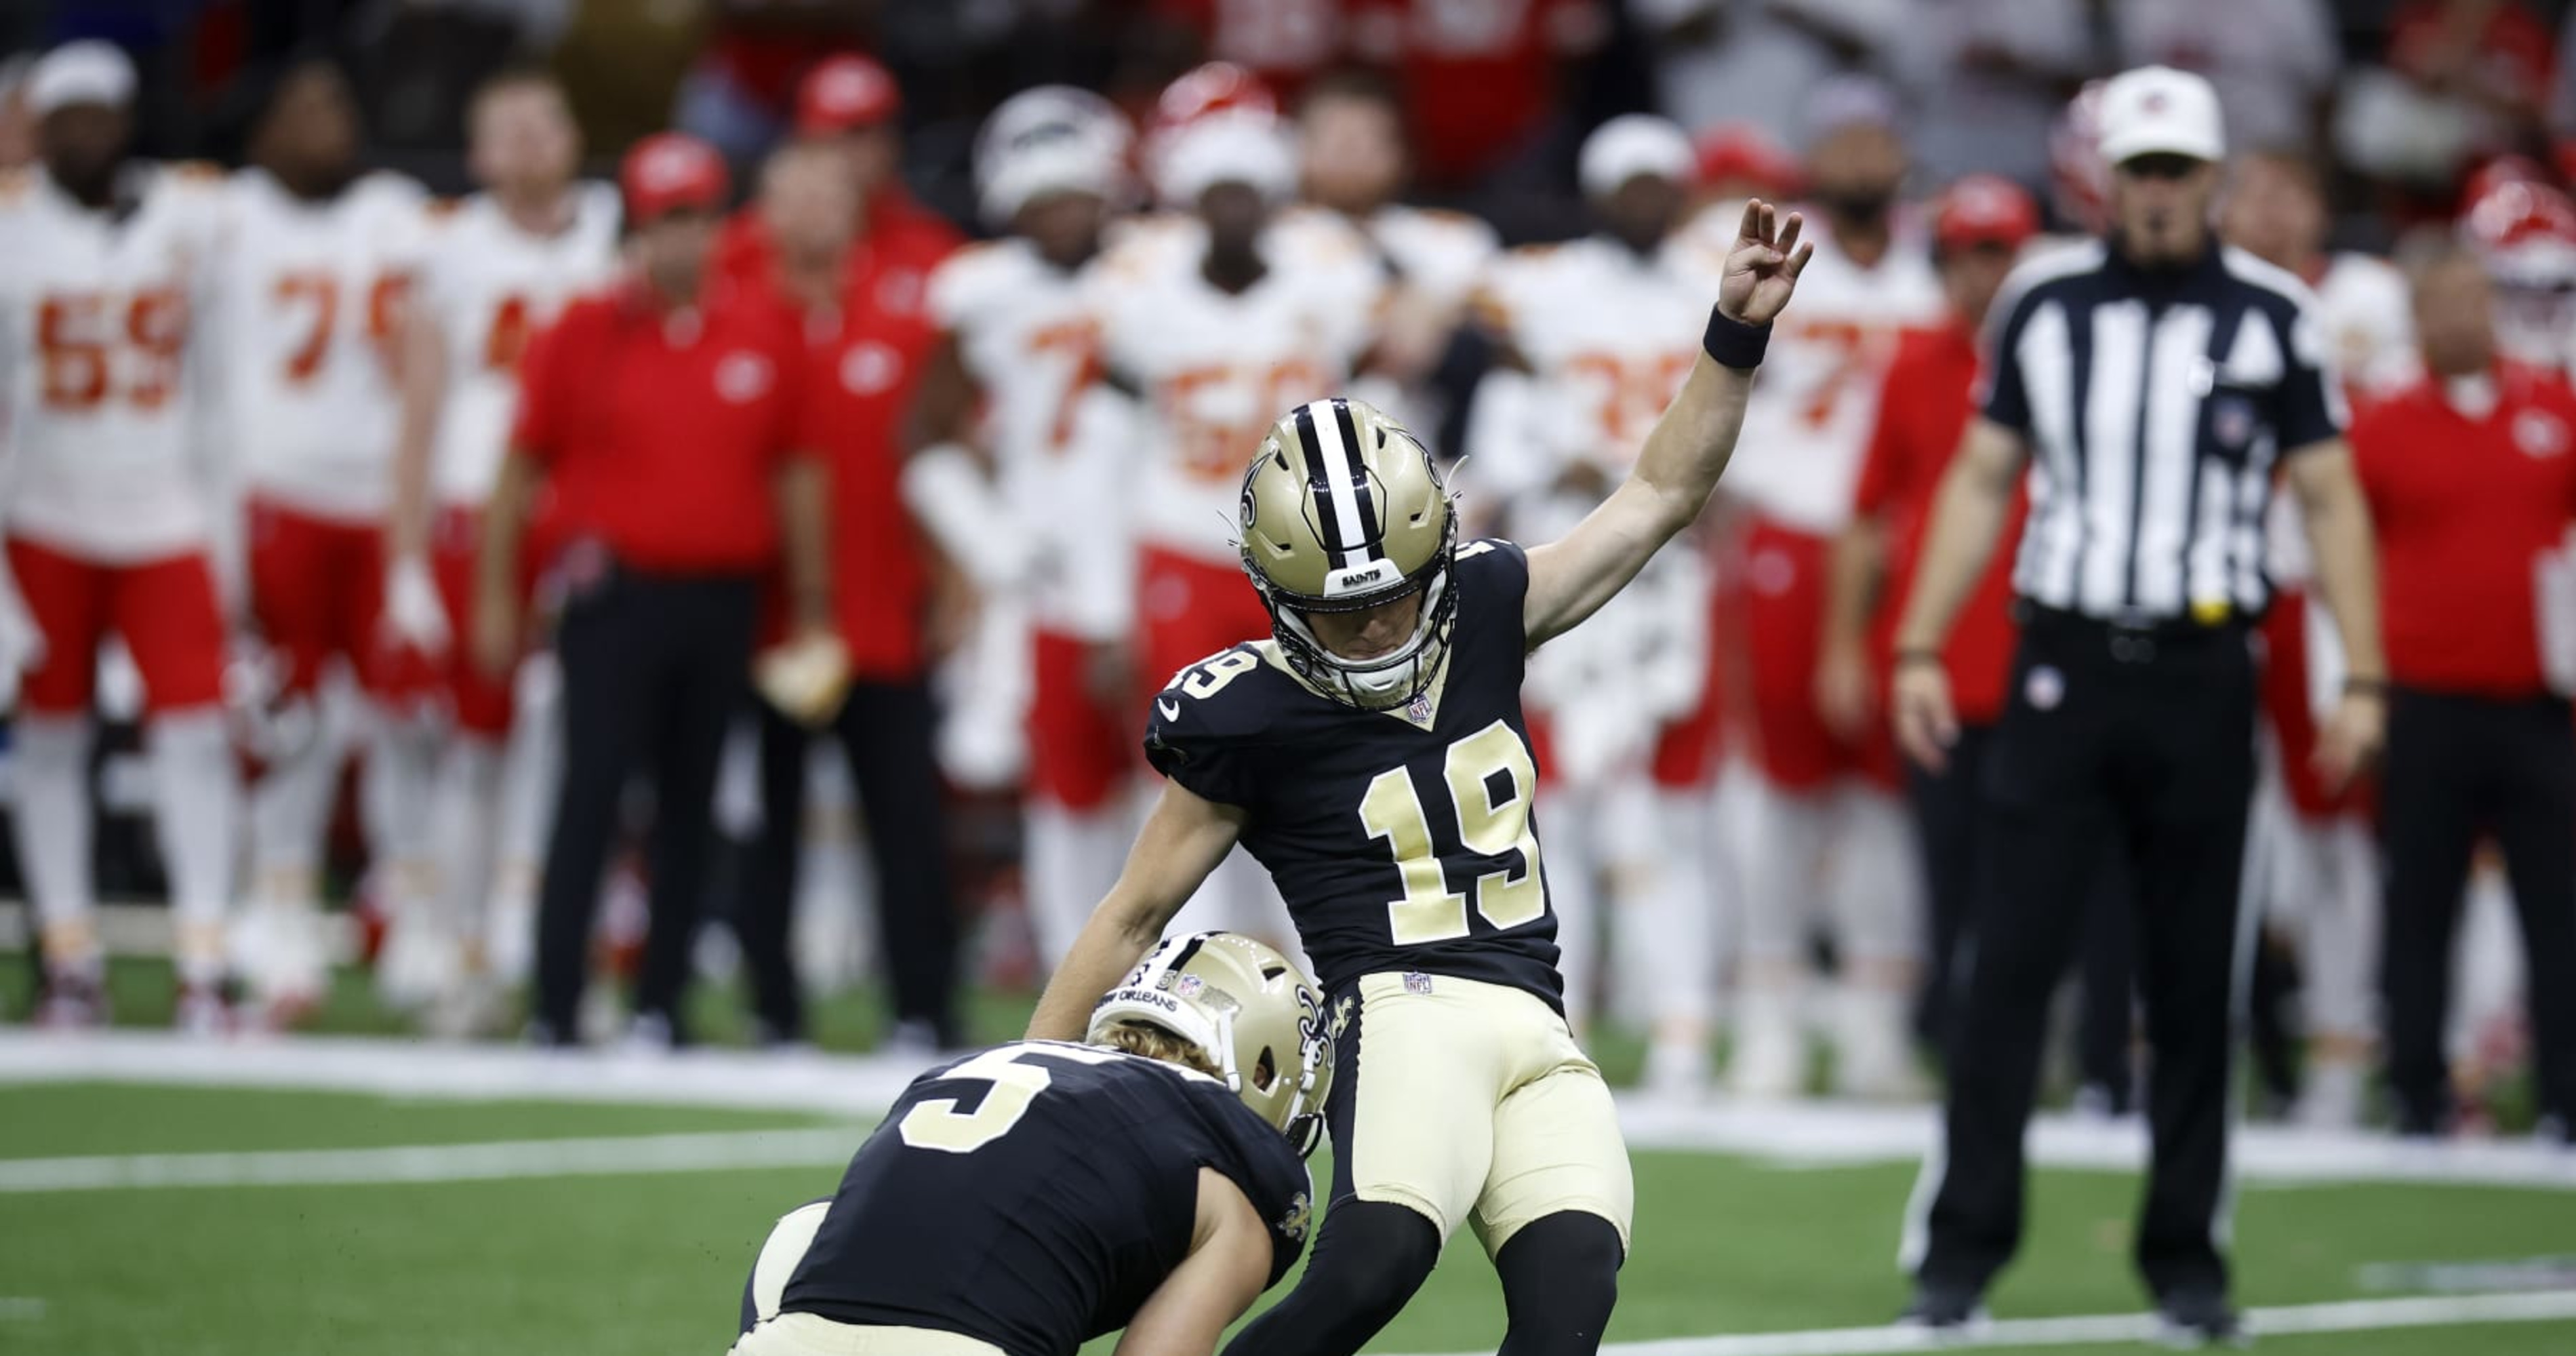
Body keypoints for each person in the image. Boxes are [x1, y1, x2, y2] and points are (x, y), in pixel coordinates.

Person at [1030, 202, 1815, 1356]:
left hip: (1538, 1027)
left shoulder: (1493, 605)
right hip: (1398, 1015)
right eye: (1341, 615)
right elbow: (1135, 908)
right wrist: (1036, 1072)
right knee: (1372, 1270)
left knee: (1569, 1308)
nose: (1375, 630)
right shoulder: (1249, 715)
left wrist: (1732, 339)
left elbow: (1657, 495)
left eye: (1395, 593)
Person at [1888, 66, 2387, 1341]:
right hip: (2063, 665)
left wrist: (2362, 672)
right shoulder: (2044, 305)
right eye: (2141, 172)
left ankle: (2187, 1258)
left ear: (2214, 179)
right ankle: (1961, 1249)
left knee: (2190, 977)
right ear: (2106, 179)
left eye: (2179, 172)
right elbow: (1982, 477)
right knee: (2013, 965)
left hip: (2206, 668)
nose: (2159, 195)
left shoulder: (2279, 315)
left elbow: (2329, 497)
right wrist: (1923, 643)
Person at [473, 132, 830, 1050]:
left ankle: (659, 1004)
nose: (685, 237)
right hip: (613, 600)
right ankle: (556, 1003)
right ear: (636, 226)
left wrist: (811, 603)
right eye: (667, 219)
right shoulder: (581, 332)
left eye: (699, 216)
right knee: (589, 796)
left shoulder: (764, 327)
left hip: (722, 599)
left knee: (691, 806)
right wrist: (495, 595)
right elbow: (518, 469)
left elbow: (795, 472)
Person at [1076, 92, 1385, 951]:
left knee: (1315, 762)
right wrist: (1105, 608)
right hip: (1179, 538)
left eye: (1249, 191)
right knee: (1190, 764)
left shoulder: (1332, 276)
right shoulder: (1138, 293)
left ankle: (1318, 964)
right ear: (1190, 202)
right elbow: (1107, 454)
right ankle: (1188, 962)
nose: (1235, 210)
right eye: (1218, 192)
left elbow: (1376, 419)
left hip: (1305, 564)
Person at [733, 932, 1333, 1356]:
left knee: (810, 1224)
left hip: (781, 1343)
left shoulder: (978, 1066)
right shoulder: (1233, 1171)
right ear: (1265, 1070)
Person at [1468, 114, 1724, 1088]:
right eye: (1630, 184)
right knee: (1553, 810)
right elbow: (1502, 437)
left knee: (1659, 814)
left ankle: (1682, 1025)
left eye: (1662, 182)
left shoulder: (1709, 281)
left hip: (1669, 573)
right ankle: (1558, 1018)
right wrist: (1552, 459)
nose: (1646, 201)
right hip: (1565, 558)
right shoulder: (1546, 287)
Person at [1708, 79, 1945, 1101]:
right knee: (1783, 789)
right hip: (1794, 533)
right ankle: (1770, 1017)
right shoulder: (1769, 254)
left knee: (1887, 794)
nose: (1857, 160)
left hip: (1906, 546)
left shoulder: (1937, 271)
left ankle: (1875, 1022)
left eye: (1873, 141)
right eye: (1838, 141)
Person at [0, 41, 240, 1032]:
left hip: (165, 511)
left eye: (101, 114)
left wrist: (230, 540)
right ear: (38, 131)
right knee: (50, 744)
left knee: (196, 736)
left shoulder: (195, 215)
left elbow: (225, 387)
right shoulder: (11, 230)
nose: (86, 134)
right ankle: (70, 955)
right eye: (67, 120)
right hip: (45, 516)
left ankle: (204, 960)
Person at [382, 66, 620, 1019]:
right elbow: (417, 410)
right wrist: (404, 560)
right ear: (477, 152)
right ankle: (454, 938)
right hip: (475, 509)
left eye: (544, 122)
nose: (528, 142)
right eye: (506, 127)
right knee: (472, 744)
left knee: (569, 744)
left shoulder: (613, 232)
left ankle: (540, 933)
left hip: (585, 514)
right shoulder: (449, 250)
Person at [210, 57, 437, 1026]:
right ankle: (280, 916)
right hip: (280, 492)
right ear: (262, 131)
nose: (324, 124)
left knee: (403, 722)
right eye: (300, 108)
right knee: (288, 723)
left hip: (378, 500)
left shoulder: (395, 209)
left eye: (337, 105)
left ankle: (410, 910)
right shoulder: (225, 214)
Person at [732, 138, 961, 1051]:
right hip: (767, 619)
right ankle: (771, 1008)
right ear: (767, 208)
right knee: (766, 820)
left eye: (831, 193)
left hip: (885, 612)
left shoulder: (905, 318)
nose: (815, 211)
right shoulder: (740, 317)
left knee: (906, 819)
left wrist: (954, 581)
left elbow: (944, 460)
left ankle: (924, 1005)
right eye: (796, 193)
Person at [2349, 241, 2576, 1144]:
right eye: (2437, 303)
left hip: (2537, 705)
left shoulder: (2555, 409)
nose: (2456, 320)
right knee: (2419, 908)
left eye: (2469, 301)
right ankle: (2414, 1087)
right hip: (2424, 701)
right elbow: (2337, 554)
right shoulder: (2382, 423)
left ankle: (2564, 1092)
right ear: (2414, 314)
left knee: (2556, 908)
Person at [910, 87, 1138, 971]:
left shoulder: (1151, 273)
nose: (1060, 217)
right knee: (1062, 788)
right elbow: (923, 437)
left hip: (1153, 551)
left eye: (1075, 197)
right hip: (1045, 569)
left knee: (1176, 785)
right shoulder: (984, 292)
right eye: (1041, 202)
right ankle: (1071, 973)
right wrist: (989, 545)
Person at [1815, 174, 2038, 1064]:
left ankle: (2027, 1027)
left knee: (2035, 857)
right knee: (1942, 855)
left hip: (2038, 649)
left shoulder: (2062, 354)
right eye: (1964, 255)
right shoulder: (1910, 365)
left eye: (1997, 254)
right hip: (1937, 654)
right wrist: (1841, 646)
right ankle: (1942, 1023)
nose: (1980, 275)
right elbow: (1866, 516)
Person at [2217, 146, 2419, 1128]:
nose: (2271, 210)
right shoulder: (2206, 296)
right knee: (2222, 828)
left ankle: (2343, 1046)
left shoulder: (2370, 298)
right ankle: (2214, 1048)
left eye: (2289, 188)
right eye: (2252, 193)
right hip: (2217, 585)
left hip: (2319, 584)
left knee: (2338, 826)